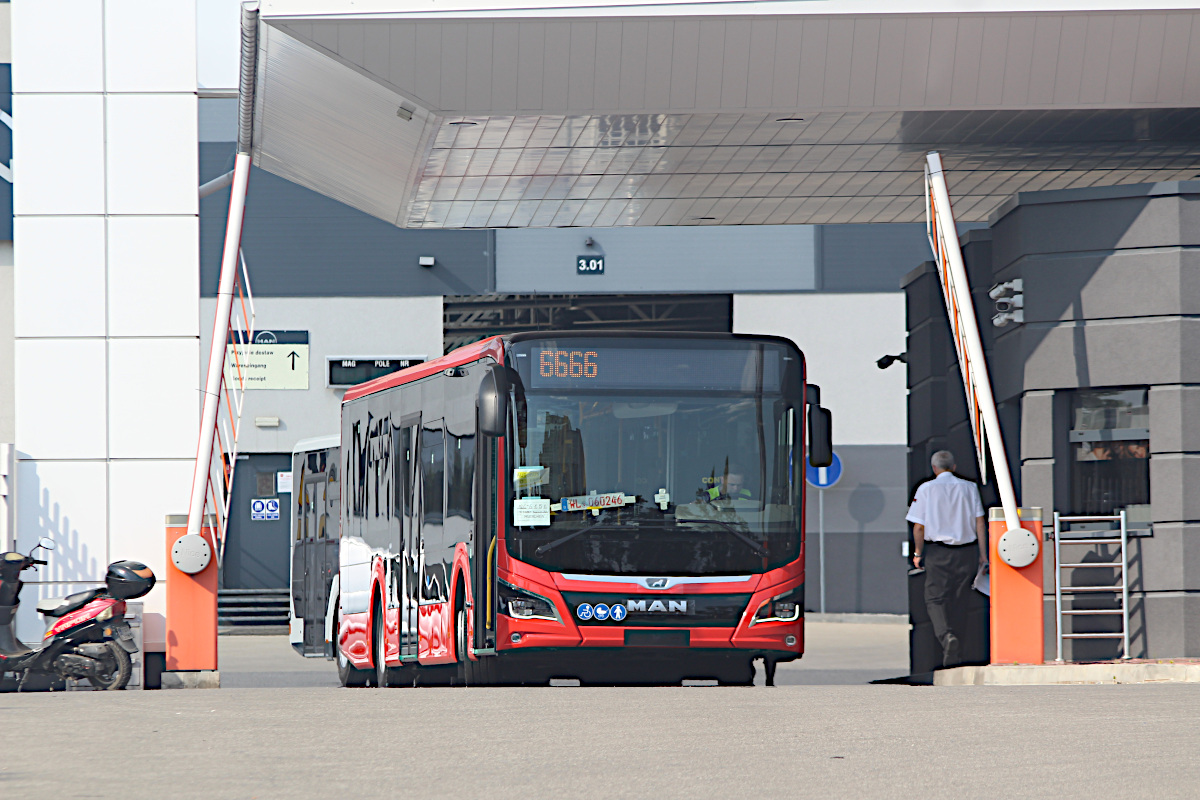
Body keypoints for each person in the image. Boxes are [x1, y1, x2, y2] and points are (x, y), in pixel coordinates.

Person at [906, 450, 988, 667]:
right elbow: (980, 522)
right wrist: (983, 554)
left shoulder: (925, 489)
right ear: (954, 466)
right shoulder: (970, 488)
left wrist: (918, 553)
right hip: (967, 552)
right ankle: (956, 650)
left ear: (934, 469)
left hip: (938, 552)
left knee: (935, 599)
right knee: (960, 600)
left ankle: (946, 637)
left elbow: (919, 526)